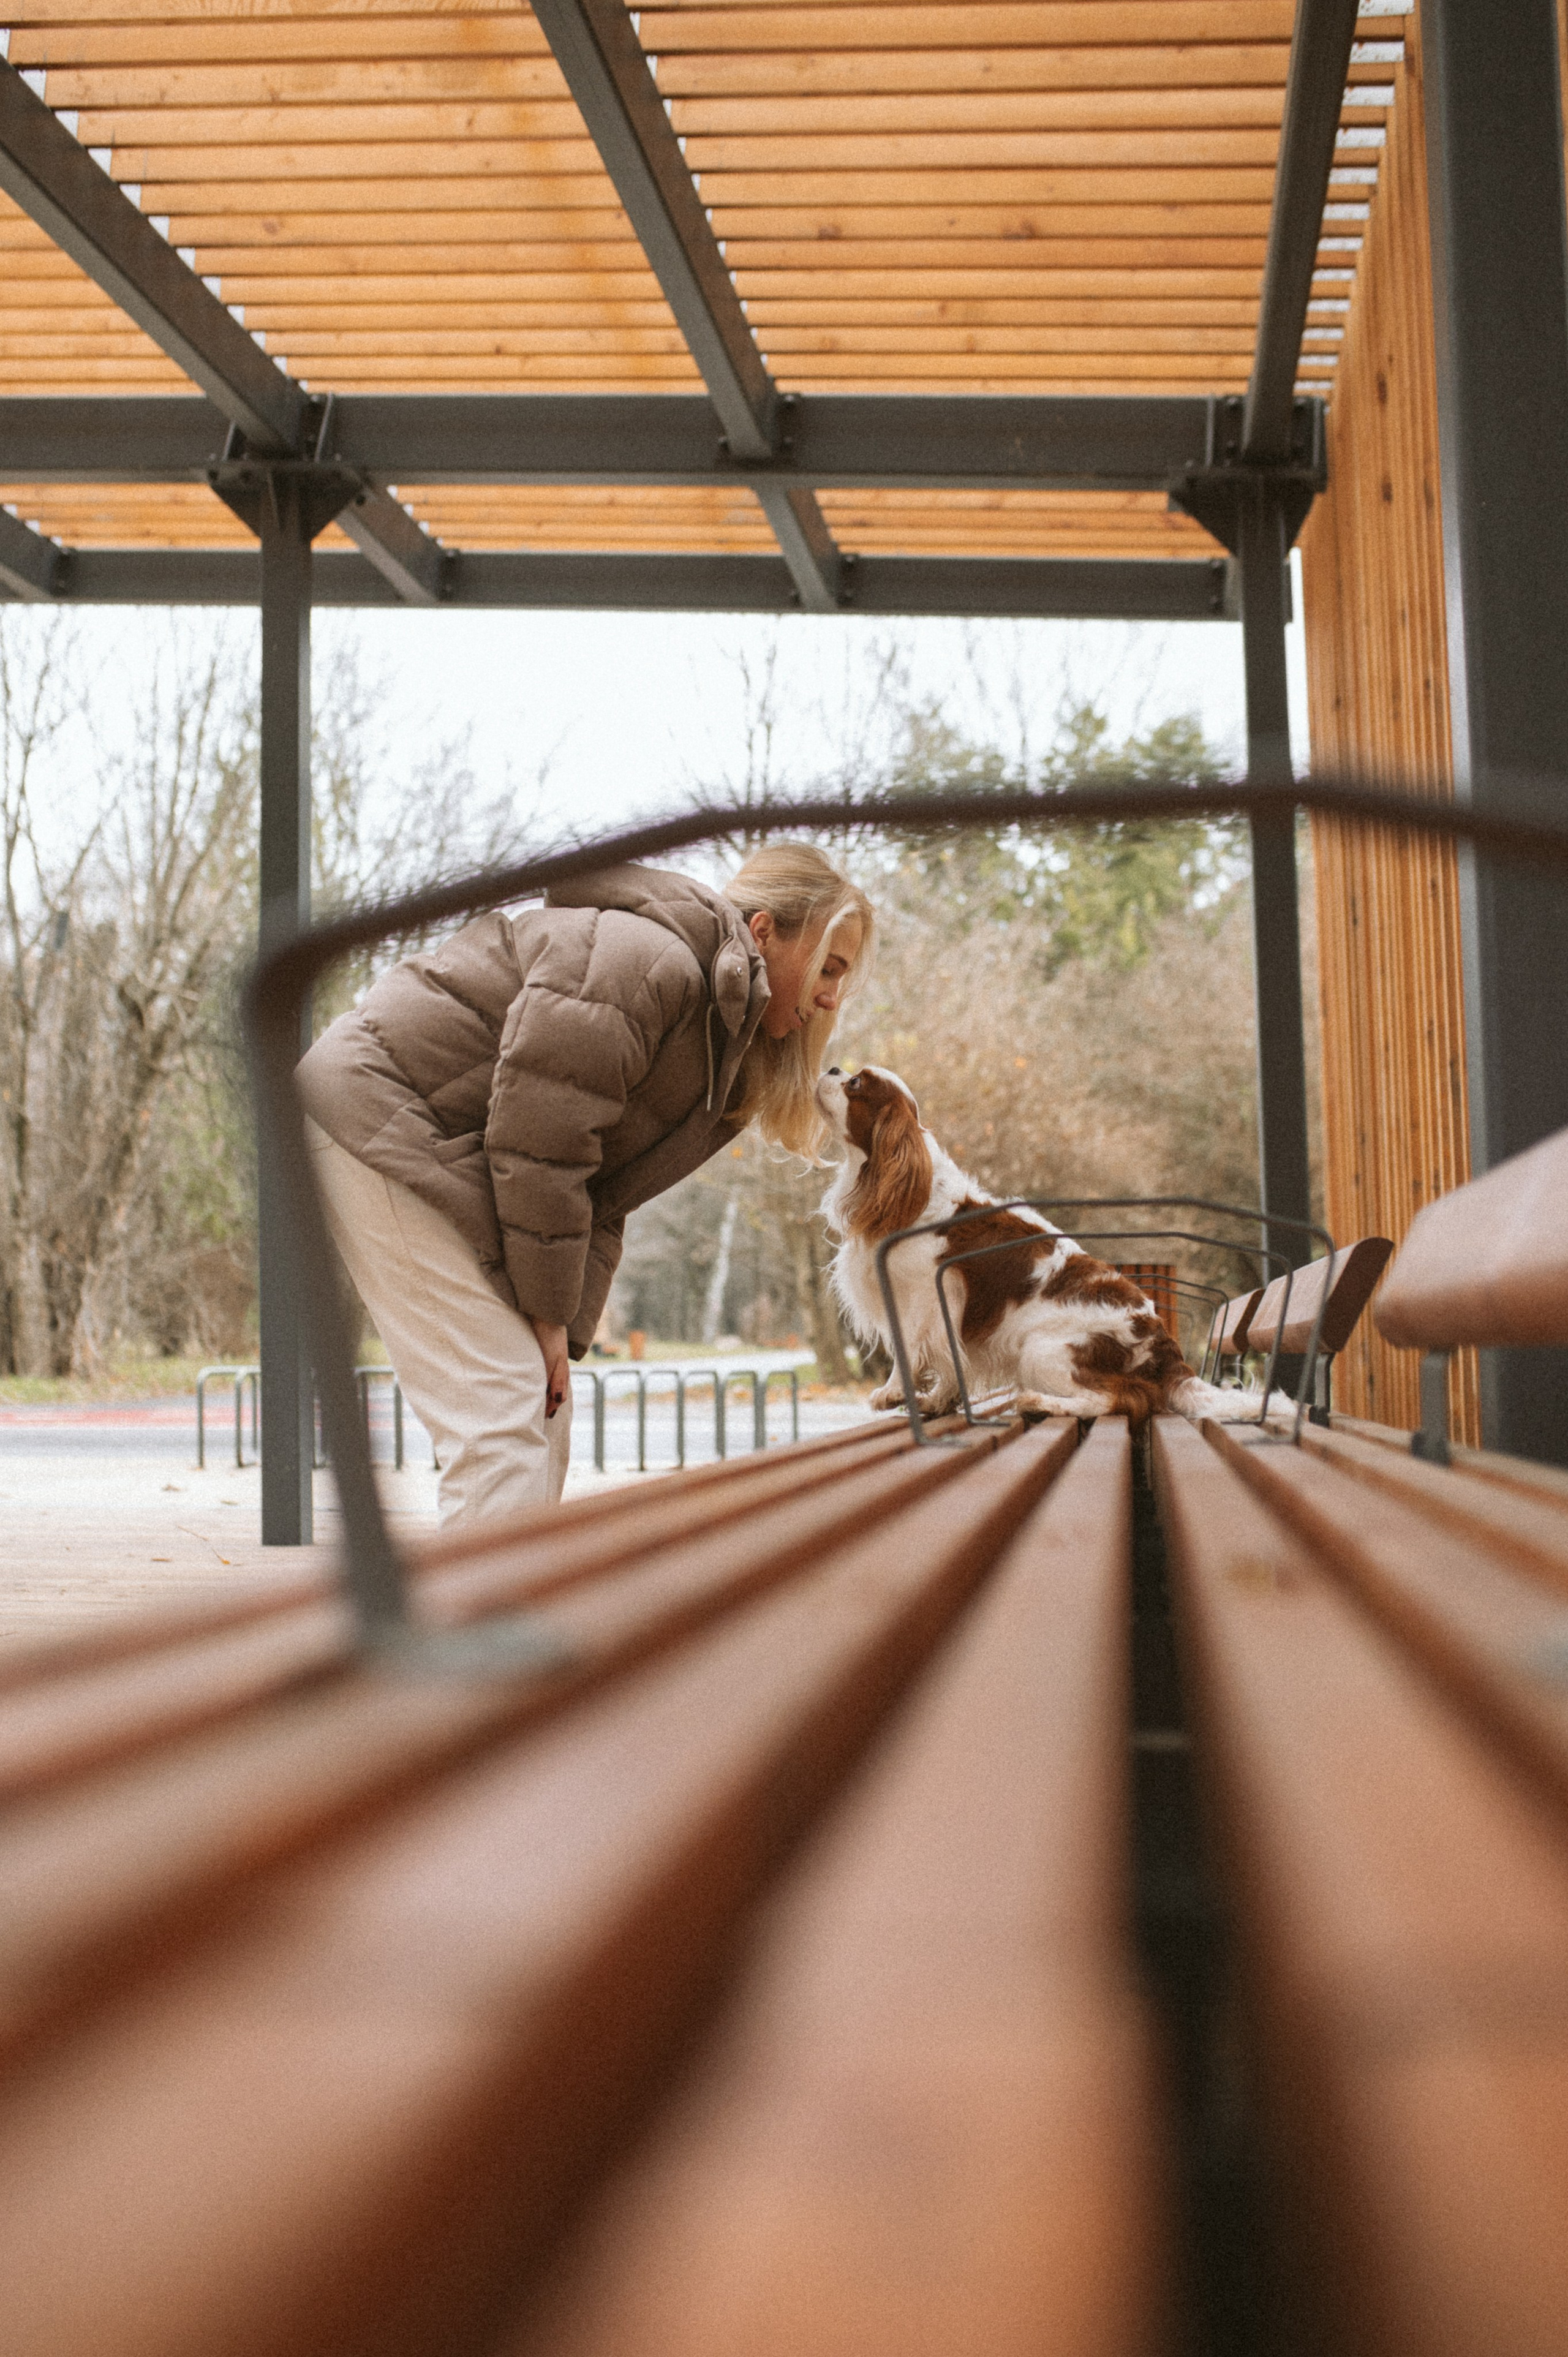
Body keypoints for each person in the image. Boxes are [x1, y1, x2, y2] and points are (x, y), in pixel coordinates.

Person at [298, 843, 873, 1531]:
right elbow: (542, 1136)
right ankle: (471, 1628)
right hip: (371, 1112)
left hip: (447, 1150)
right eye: (828, 967)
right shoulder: (643, 961)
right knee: (500, 1411)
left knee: (542, 1404)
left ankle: (514, 1603)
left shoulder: (719, 1046)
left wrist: (561, 1324)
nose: (833, 995)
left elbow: (603, 1192)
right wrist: (544, 1312)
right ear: (762, 933)